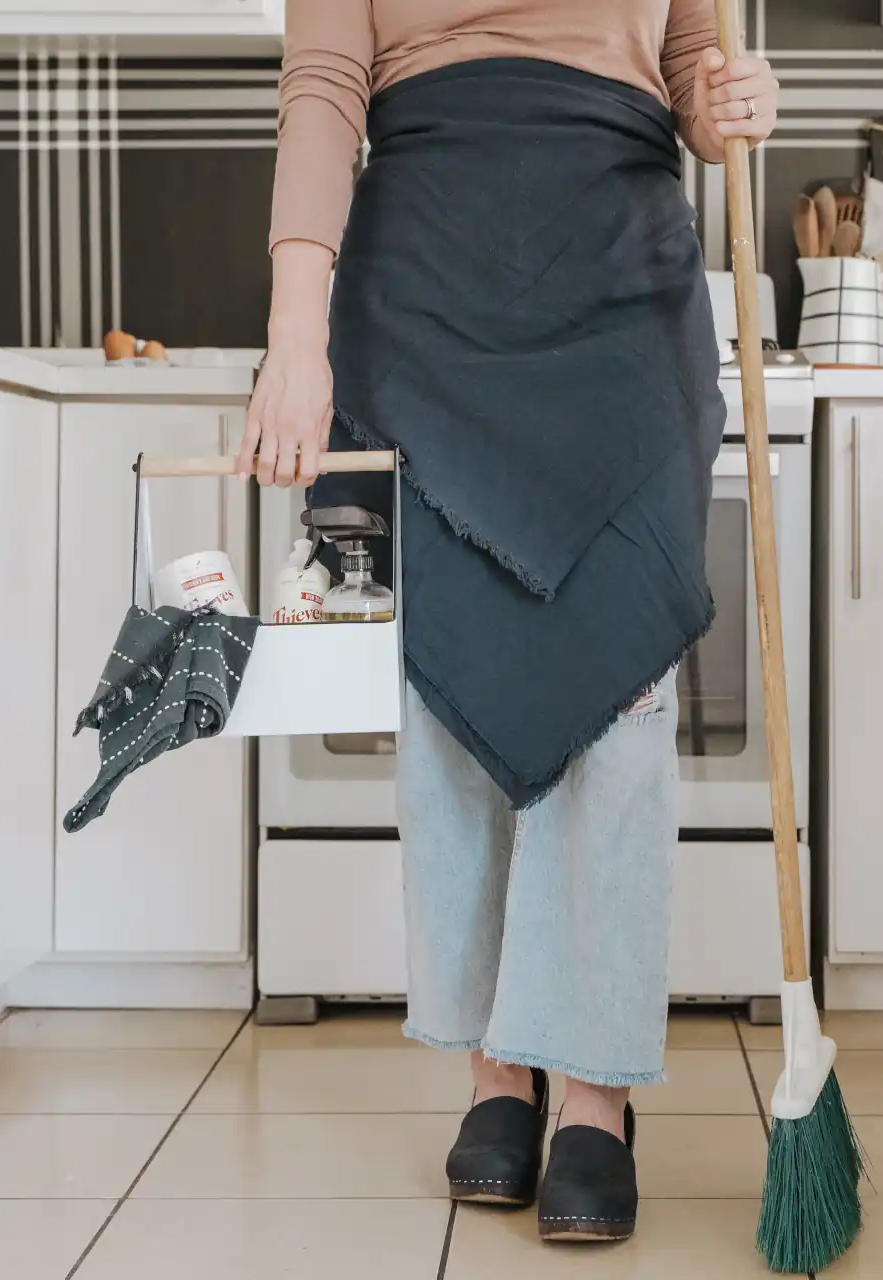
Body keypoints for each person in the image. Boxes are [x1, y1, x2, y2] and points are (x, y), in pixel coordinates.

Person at [247, 0, 779, 1244]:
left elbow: (692, 60)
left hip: (620, 279)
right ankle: (498, 1062)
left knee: (618, 687)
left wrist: (719, 105)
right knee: (453, 680)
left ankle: (593, 1084)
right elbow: (325, 85)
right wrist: (294, 336)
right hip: (425, 276)